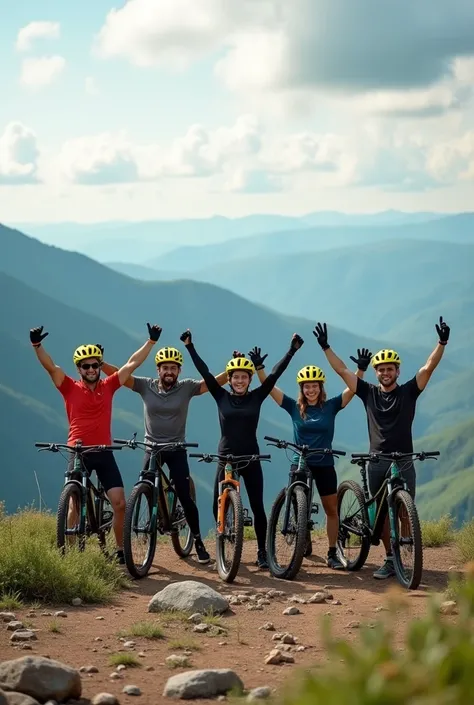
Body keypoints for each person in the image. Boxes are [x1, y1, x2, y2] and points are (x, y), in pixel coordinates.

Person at [313, 317, 451, 580]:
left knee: (405, 510)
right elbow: (343, 371)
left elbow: (428, 367)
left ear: (397, 371)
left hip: (405, 459)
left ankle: (405, 553)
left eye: (390, 369)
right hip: (377, 459)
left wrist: (442, 342)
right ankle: (390, 557)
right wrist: (325, 347)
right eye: (381, 369)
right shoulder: (368, 392)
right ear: (376, 372)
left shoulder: (409, 391)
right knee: (381, 515)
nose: (385, 373)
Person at [30, 322, 161, 564]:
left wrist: (150, 342)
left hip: (103, 451)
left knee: (120, 504)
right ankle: (70, 557)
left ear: (100, 366)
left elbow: (132, 363)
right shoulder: (69, 387)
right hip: (77, 450)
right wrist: (37, 345)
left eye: (95, 365)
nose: (91, 369)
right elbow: (51, 367)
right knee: (72, 504)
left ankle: (121, 550)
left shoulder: (108, 385)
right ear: (78, 368)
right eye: (86, 366)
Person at [180, 328, 304, 570]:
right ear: (230, 378)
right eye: (234, 377)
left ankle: (261, 551)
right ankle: (222, 541)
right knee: (218, 504)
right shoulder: (220, 395)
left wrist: (292, 351)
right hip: (225, 456)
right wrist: (189, 346)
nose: (238, 381)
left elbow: (274, 376)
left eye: (243, 377)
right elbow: (204, 372)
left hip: (251, 456)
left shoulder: (257, 396)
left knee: (257, 506)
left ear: (249, 379)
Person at [102, 343, 229, 564]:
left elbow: (211, 383)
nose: (169, 371)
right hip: (152, 448)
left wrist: (232, 371)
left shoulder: (187, 387)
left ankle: (197, 541)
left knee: (184, 496)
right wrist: (99, 363)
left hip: (176, 448)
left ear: (179, 370)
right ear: (158, 370)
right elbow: (119, 375)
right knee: (143, 487)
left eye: (173, 367)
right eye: (164, 367)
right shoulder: (145, 385)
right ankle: (149, 524)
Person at [252, 345, 370, 569]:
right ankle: (302, 534)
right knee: (297, 503)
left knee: (331, 510)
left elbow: (352, 390)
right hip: (301, 461)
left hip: (324, 461)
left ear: (320, 387)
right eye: (307, 386)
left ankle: (332, 552)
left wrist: (360, 370)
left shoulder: (331, 406)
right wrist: (259, 368)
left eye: (314, 386)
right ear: (302, 388)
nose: (311, 390)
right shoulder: (294, 407)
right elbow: (269, 388)